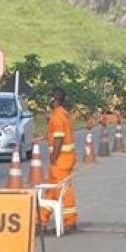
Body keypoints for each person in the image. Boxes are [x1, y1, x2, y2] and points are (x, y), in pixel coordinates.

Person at [41, 88, 77, 232]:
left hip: (61, 159)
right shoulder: (64, 114)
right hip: (67, 158)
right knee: (53, 188)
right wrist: (43, 137)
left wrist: (53, 157)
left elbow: (59, 138)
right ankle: (41, 220)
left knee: (62, 190)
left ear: (53, 100)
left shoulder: (57, 116)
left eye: (50, 98)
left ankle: (69, 222)